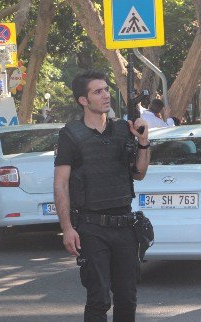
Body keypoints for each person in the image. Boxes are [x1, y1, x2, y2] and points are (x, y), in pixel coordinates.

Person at [54, 70, 150, 322]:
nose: (106, 95)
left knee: (127, 299)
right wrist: (67, 228)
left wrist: (143, 142)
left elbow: (138, 174)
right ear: (83, 101)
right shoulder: (71, 135)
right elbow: (61, 184)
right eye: (98, 91)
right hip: (91, 227)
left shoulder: (123, 130)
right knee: (98, 300)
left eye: (106, 89)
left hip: (125, 226)